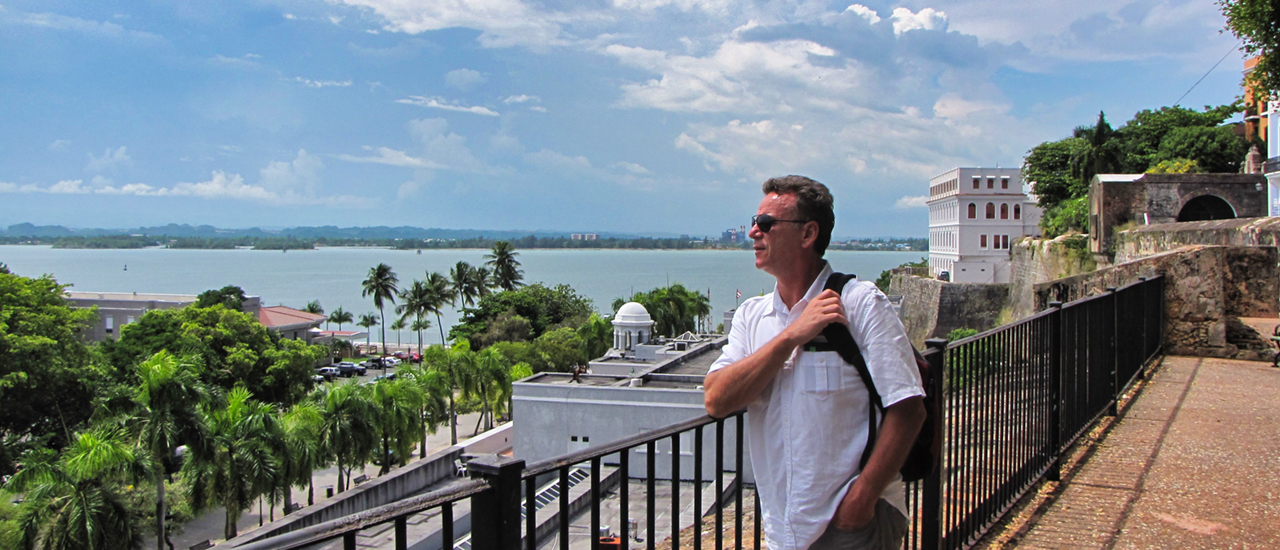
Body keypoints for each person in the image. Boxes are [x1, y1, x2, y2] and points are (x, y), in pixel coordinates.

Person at [704, 175, 926, 550]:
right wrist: (792, 335)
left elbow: (908, 409)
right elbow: (716, 400)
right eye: (755, 222)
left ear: (808, 234)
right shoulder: (752, 317)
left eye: (767, 224)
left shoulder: (860, 303)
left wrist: (860, 502)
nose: (754, 233)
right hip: (782, 530)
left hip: (851, 525)